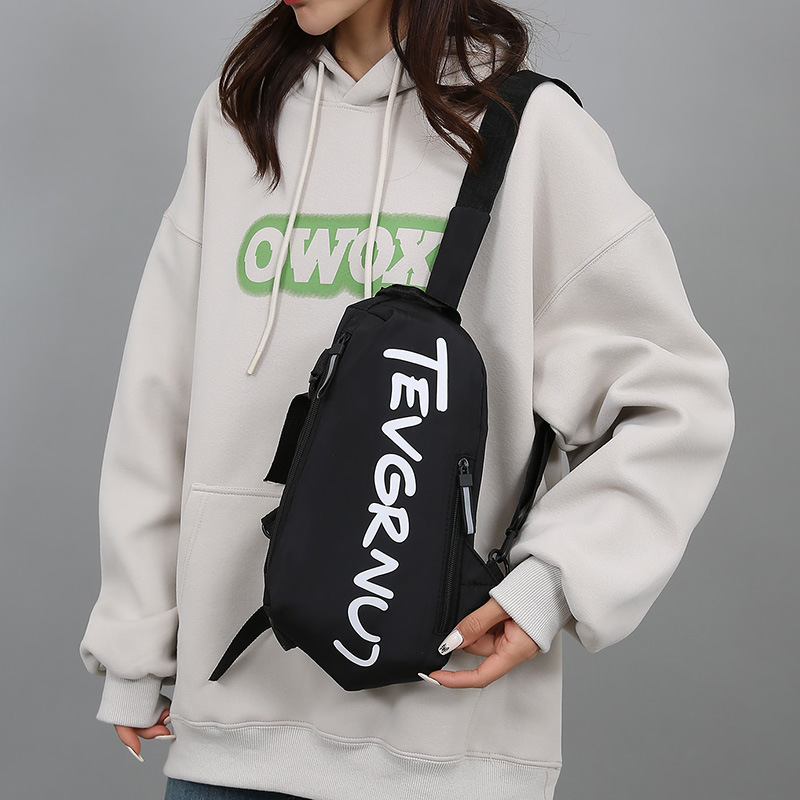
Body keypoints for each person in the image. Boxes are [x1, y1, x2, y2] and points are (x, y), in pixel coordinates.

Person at [78, 1, 736, 799]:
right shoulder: (238, 117)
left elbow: (675, 398)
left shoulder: (526, 129)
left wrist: (551, 585)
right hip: (231, 727)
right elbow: (160, 396)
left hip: (444, 749)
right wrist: (133, 646)